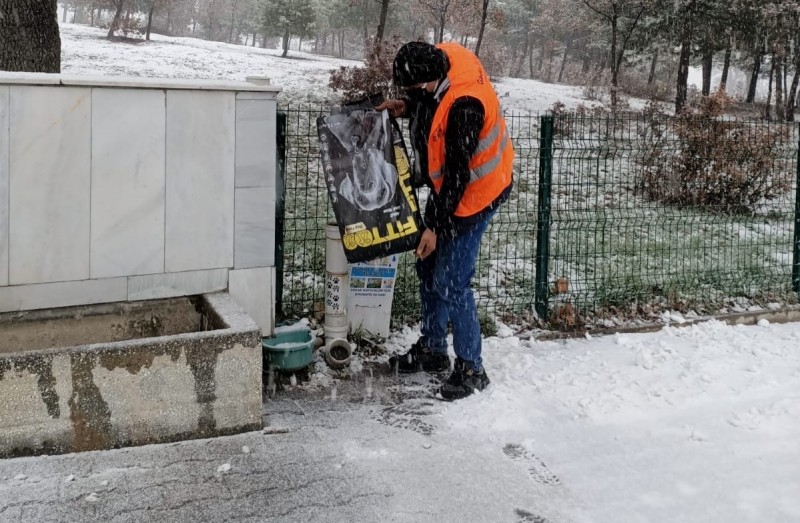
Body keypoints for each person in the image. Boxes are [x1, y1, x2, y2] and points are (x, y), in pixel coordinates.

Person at [378, 41, 514, 401]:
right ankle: (434, 348)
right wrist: (406, 107)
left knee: (452, 280)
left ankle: (472, 368)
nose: (411, 93)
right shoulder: (444, 57)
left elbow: (457, 178)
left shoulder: (465, 108)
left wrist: (436, 228)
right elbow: (430, 101)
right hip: (452, 187)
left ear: (427, 80)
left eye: (411, 90)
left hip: (477, 191)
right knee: (427, 264)